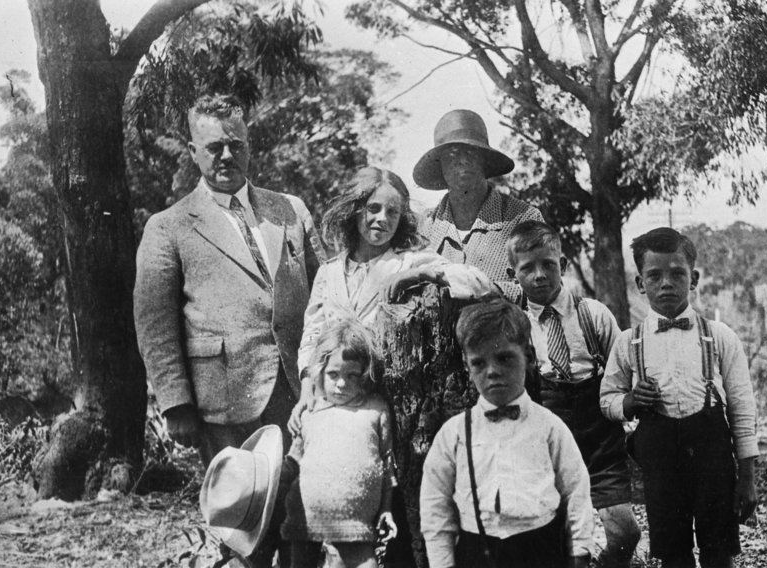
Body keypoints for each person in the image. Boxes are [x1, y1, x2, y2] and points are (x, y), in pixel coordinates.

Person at [134, 93, 325, 567]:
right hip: (223, 399)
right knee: (245, 527)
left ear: (249, 144)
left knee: (303, 520)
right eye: (213, 146)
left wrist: (325, 373)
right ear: (193, 150)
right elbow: (154, 322)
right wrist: (176, 403)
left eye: (235, 144)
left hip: (298, 391)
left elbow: (326, 293)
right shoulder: (169, 226)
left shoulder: (290, 210)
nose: (225, 155)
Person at [599, 227, 759, 568]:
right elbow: (607, 399)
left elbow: (743, 409)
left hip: (712, 453)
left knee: (718, 548)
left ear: (694, 278)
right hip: (660, 459)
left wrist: (747, 477)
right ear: (641, 283)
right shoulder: (629, 342)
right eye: (655, 276)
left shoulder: (719, 336)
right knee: (672, 551)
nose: (666, 283)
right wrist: (629, 402)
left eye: (677, 274)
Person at [294, 165, 496, 422]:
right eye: (373, 208)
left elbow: (479, 282)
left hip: (390, 403)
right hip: (338, 396)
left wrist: (419, 275)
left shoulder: (408, 262)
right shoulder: (328, 272)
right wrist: (307, 387)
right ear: (354, 209)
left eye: (393, 212)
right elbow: (312, 335)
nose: (382, 219)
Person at [420, 298, 595, 568]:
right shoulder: (454, 434)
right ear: (467, 366)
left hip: (541, 548)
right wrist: (442, 563)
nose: (492, 371)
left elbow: (575, 489)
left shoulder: (549, 426)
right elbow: (435, 505)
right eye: (479, 363)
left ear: (528, 355)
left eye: (504, 358)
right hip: (478, 551)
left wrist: (580, 550)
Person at [505, 220, 641, 568]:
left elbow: (623, 371)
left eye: (548, 265)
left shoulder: (593, 314)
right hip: (549, 443)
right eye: (528, 268)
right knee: (560, 542)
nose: (539, 275)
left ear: (562, 265)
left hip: (600, 443)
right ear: (513, 274)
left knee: (626, 534)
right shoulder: (517, 326)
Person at [281, 318, 399, 568]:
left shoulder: (375, 410)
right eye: (333, 374)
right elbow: (293, 460)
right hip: (305, 519)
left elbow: (387, 465)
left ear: (365, 374)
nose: (342, 383)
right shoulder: (311, 412)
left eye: (352, 375)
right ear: (319, 372)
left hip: (356, 524)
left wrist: (386, 510)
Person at [413, 109, 544, 301]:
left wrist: (488, 291)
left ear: (484, 159)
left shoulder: (523, 219)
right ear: (440, 166)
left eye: (471, 153)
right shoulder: (424, 227)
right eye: (452, 155)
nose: (463, 161)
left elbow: (546, 289)